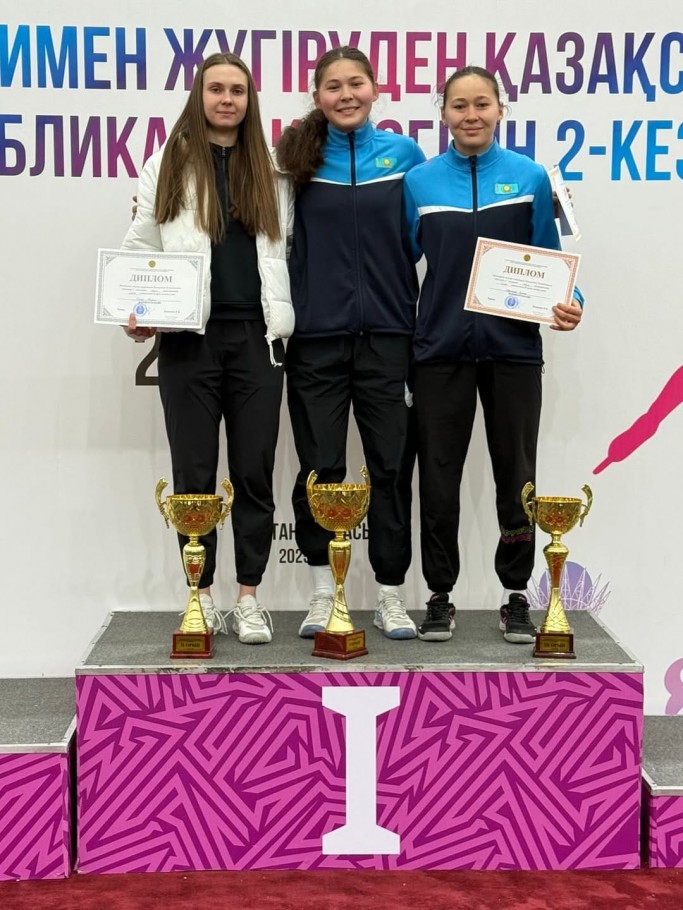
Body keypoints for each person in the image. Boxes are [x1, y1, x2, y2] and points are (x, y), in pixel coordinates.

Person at [403, 65, 584, 644]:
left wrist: (572, 302)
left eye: (482, 103)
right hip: (439, 353)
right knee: (438, 479)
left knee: (517, 478)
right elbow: (401, 261)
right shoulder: (419, 182)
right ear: (443, 114)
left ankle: (515, 596)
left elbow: (550, 258)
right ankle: (439, 596)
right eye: (459, 105)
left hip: (514, 352)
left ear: (501, 110)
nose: (471, 114)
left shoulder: (530, 177)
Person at [121, 53, 294, 644]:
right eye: (216, 89)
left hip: (257, 340)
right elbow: (141, 246)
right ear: (199, 95)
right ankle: (199, 596)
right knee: (193, 473)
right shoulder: (166, 163)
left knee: (253, 472)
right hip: (187, 341)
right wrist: (137, 313)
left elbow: (290, 250)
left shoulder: (272, 168)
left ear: (249, 100)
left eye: (237, 90)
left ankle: (248, 597)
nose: (226, 99)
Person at [276, 47, 426, 640]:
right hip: (316, 340)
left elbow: (427, 237)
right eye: (333, 86)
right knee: (321, 469)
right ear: (317, 95)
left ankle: (391, 595)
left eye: (356, 83)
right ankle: (323, 592)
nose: (346, 95)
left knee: (391, 468)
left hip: (390, 338)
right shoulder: (295, 160)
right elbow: (268, 236)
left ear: (375, 89)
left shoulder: (405, 156)